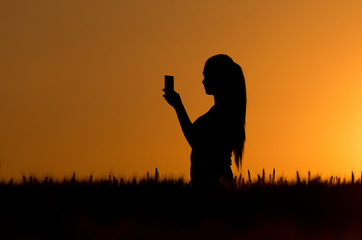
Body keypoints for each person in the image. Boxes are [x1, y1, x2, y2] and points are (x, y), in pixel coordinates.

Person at [163, 54, 246, 188]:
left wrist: (178, 106)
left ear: (219, 77)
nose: (203, 81)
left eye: (206, 75)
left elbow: (196, 142)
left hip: (214, 186)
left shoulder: (221, 114)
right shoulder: (223, 111)